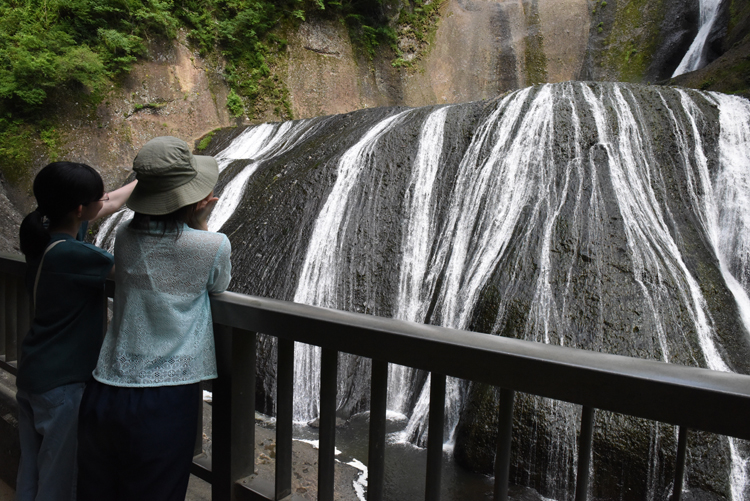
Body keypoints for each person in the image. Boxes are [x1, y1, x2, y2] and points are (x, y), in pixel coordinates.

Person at [76, 136, 232, 501]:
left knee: (98, 491)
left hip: (105, 386)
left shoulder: (127, 234)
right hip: (166, 399)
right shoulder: (212, 245)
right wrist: (201, 221)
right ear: (194, 199)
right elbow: (218, 283)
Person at [16, 161, 137, 501]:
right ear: (81, 209)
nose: (106, 200)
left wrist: (142, 181)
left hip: (34, 373)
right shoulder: (75, 254)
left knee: (32, 470)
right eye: (98, 197)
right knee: (60, 480)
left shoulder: (45, 236)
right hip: (63, 384)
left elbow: (110, 202)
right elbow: (132, 271)